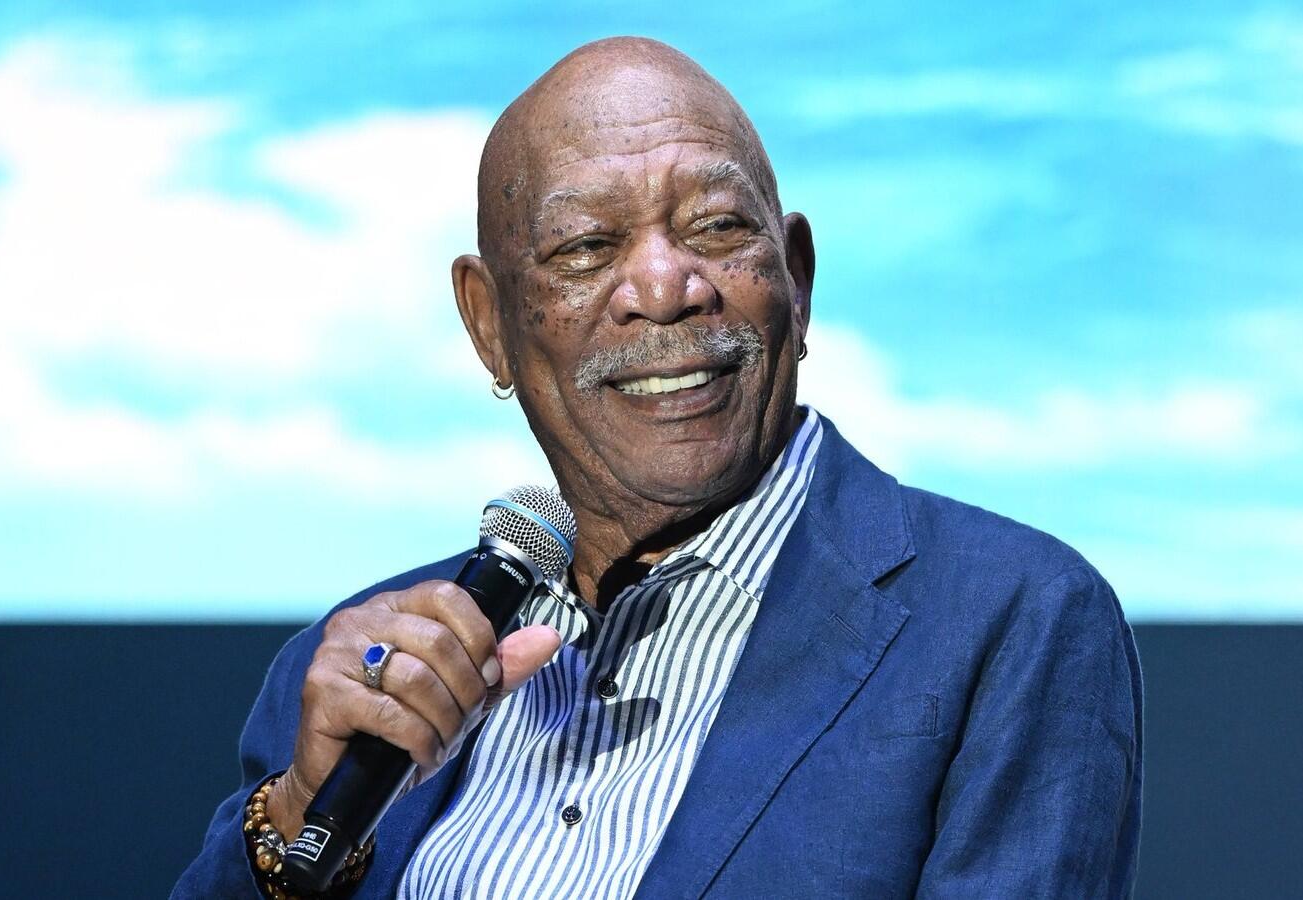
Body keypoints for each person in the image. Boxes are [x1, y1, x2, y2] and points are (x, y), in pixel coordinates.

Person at [174, 36, 1143, 899]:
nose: (664, 287)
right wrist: (299, 819)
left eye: (717, 228)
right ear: (489, 324)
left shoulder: (1010, 619)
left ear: (797, 281)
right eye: (585, 246)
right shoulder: (359, 669)